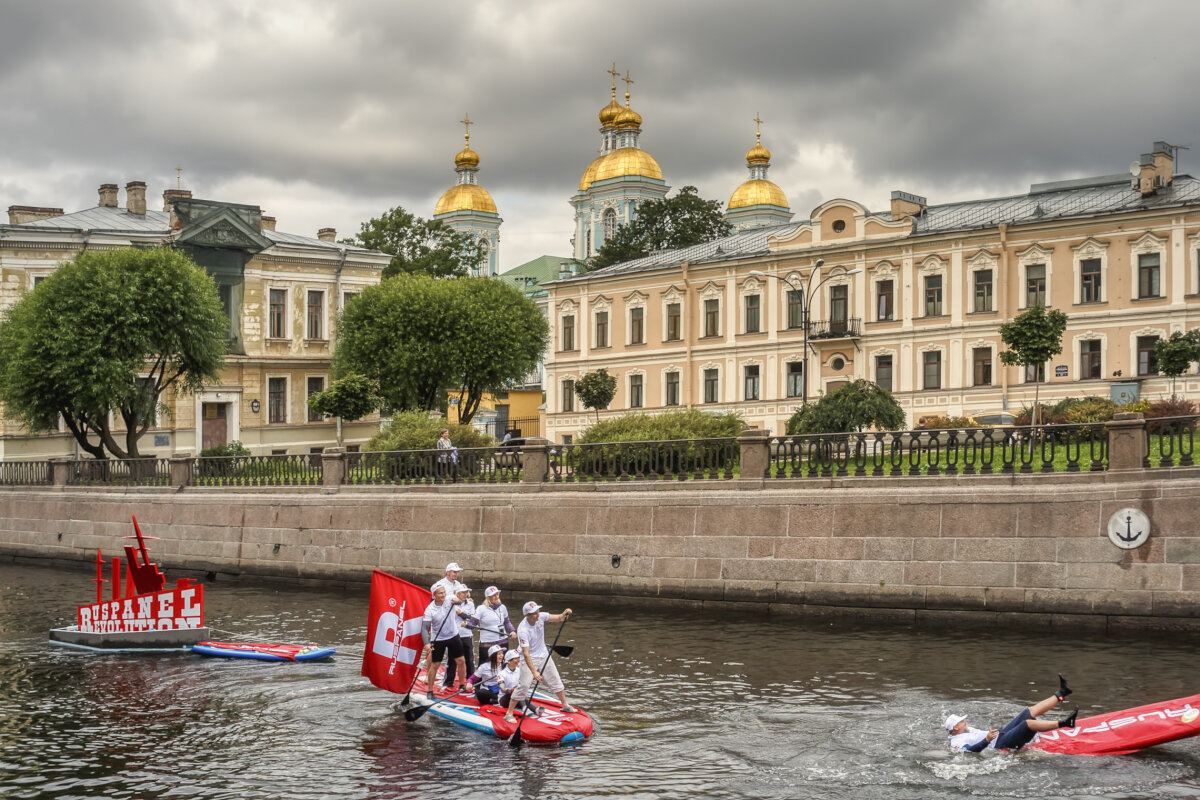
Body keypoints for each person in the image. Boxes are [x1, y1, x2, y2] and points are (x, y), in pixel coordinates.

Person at [946, 674, 1078, 753]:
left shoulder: (965, 730)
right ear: (956, 728)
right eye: (961, 721)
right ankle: (1065, 723)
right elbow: (969, 751)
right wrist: (986, 740)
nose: (965, 721)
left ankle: (1062, 693)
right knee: (1028, 724)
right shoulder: (956, 742)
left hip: (1001, 734)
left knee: (1029, 711)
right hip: (1000, 745)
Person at [506, 601, 577, 723]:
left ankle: (565, 705)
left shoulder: (541, 616)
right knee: (523, 686)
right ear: (527, 615)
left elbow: (560, 618)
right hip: (529, 658)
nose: (537, 614)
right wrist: (534, 672)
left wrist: (565, 613)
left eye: (537, 611)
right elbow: (526, 654)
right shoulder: (523, 630)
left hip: (544, 655)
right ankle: (509, 713)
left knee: (555, 680)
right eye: (534, 613)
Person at [421, 584, 468, 700]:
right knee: (435, 664)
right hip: (438, 638)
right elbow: (424, 627)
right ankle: (430, 691)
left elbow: (459, 602)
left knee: (461, 660)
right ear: (434, 595)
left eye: (444, 592)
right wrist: (426, 643)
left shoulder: (449, 598)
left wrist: (457, 601)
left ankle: (462, 684)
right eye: (440, 593)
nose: (443, 595)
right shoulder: (429, 610)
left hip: (453, 635)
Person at [469, 584, 517, 666]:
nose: (496, 596)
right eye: (493, 595)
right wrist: (467, 624)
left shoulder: (503, 607)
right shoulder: (481, 608)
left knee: (502, 664)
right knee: (484, 665)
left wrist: (512, 631)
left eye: (497, 594)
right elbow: (472, 623)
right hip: (487, 643)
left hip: (503, 641)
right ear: (488, 597)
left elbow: (507, 622)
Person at [443, 585, 476, 688]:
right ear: (457, 594)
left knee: (469, 660)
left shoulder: (470, 604)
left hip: (466, 634)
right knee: (452, 660)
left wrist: (461, 613)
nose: (465, 594)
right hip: (454, 635)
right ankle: (448, 682)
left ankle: (470, 682)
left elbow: (472, 619)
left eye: (466, 592)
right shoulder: (451, 603)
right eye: (463, 592)